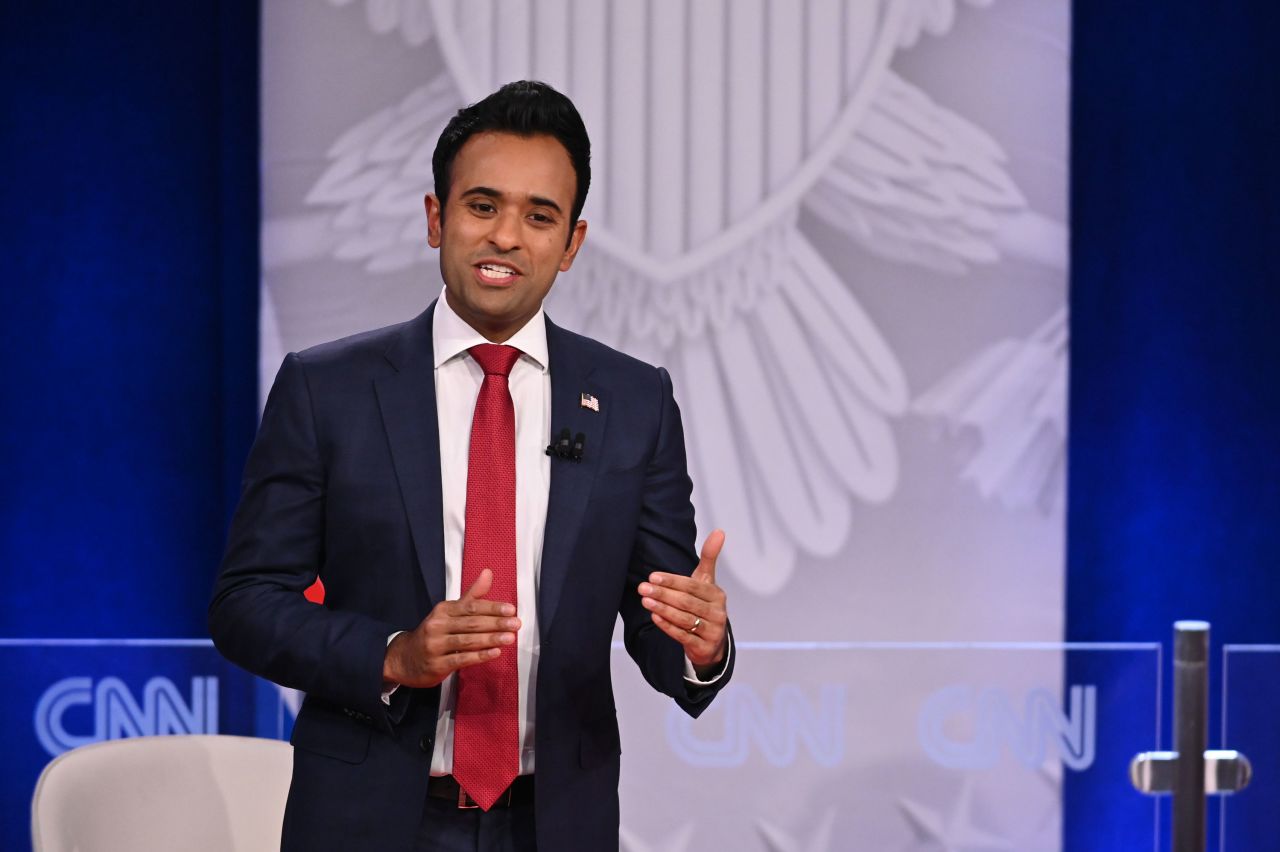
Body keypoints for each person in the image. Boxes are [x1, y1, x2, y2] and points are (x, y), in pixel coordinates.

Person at [209, 80, 734, 851]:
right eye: (483, 206)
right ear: (437, 218)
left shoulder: (633, 401)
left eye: (539, 216)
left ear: (573, 243)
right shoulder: (329, 390)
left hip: (554, 822)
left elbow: (657, 620)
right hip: (370, 816)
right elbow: (246, 604)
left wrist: (700, 645)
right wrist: (393, 654)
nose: (507, 237)